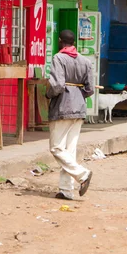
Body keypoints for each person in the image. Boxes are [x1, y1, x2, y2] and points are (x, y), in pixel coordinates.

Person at [46, 30, 94, 200]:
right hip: (79, 105)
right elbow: (90, 90)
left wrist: (48, 94)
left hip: (63, 106)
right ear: (73, 42)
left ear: (60, 41)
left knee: (56, 147)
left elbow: (57, 85)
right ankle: (66, 190)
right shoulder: (85, 61)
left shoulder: (58, 58)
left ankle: (82, 174)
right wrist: (77, 94)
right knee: (69, 150)